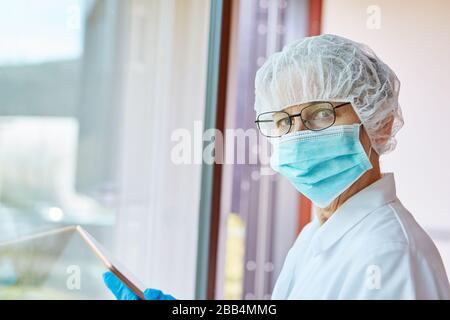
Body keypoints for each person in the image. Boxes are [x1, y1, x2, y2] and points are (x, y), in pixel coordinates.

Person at [103, 34, 450, 300]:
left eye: (321, 114)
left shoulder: (391, 256)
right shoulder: (318, 234)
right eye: (284, 121)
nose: (299, 136)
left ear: (381, 123)